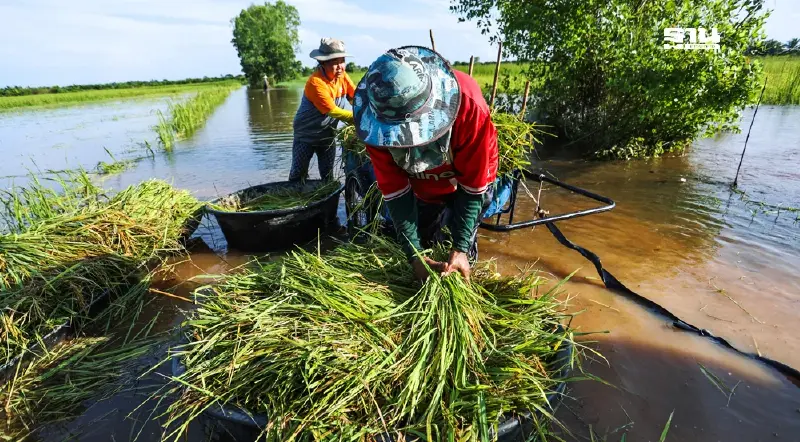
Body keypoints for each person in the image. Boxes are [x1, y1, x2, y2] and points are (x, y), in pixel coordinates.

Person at [353, 46, 499, 282]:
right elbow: (396, 192)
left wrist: (460, 248)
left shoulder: (469, 107)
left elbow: (473, 188)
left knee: (463, 251)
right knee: (427, 240)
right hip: (424, 188)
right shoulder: (375, 126)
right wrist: (415, 256)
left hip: (472, 179)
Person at [289, 38, 356, 182]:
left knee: (328, 176)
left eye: (342, 61)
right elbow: (333, 111)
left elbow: (355, 98)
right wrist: (359, 118)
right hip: (306, 136)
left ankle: (328, 202)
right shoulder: (316, 83)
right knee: (298, 175)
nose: (340, 67)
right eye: (334, 62)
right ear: (323, 63)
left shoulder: (343, 77)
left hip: (327, 136)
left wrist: (369, 110)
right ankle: (297, 200)